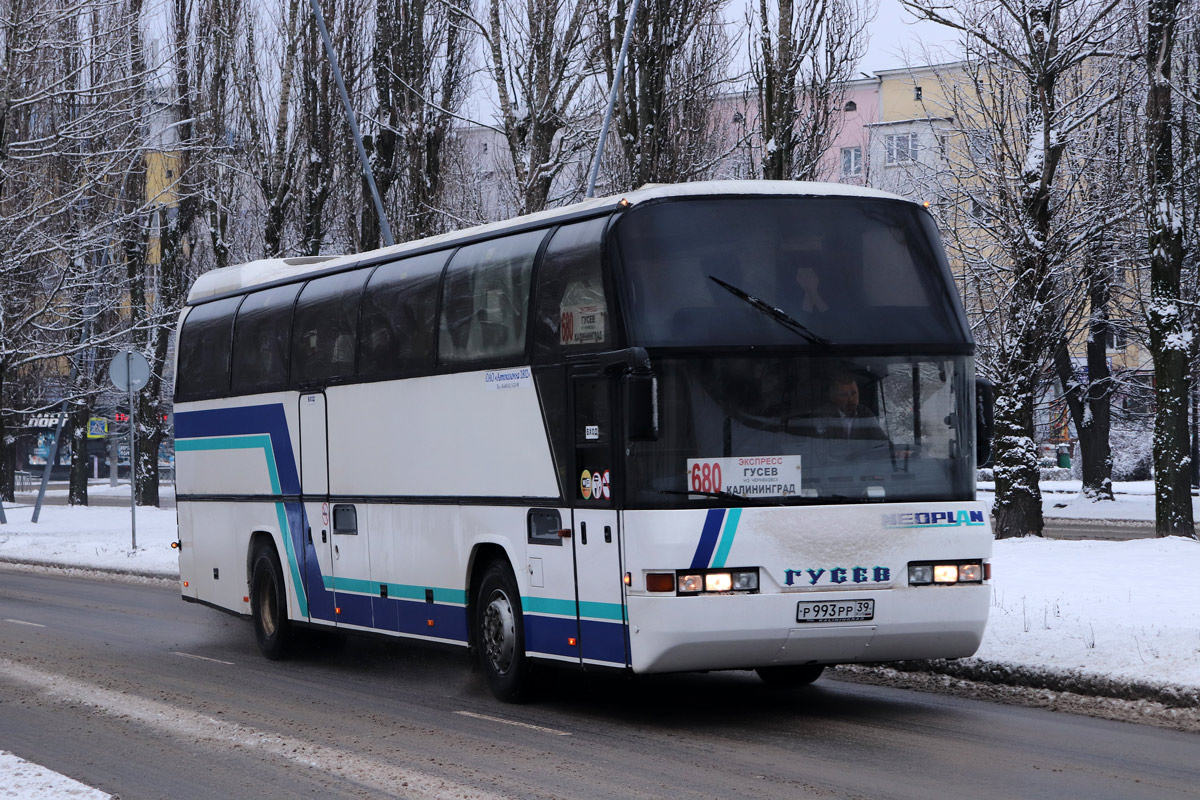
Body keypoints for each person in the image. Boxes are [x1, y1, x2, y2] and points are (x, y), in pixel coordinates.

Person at [814, 373, 887, 441]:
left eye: (854, 393)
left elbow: (881, 440)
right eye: (844, 395)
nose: (851, 399)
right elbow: (817, 447)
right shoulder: (822, 415)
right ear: (833, 397)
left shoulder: (864, 412)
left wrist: (895, 450)